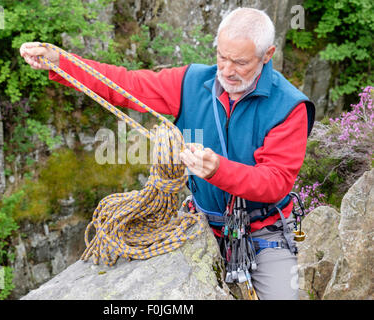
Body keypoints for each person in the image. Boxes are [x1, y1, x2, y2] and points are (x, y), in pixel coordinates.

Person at [20, 7, 315, 299]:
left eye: (240, 62)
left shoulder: (288, 107)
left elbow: (275, 182)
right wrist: (63, 62)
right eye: (221, 57)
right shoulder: (192, 83)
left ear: (267, 55)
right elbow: (125, 84)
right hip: (200, 221)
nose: (226, 70)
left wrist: (217, 170)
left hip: (262, 230)